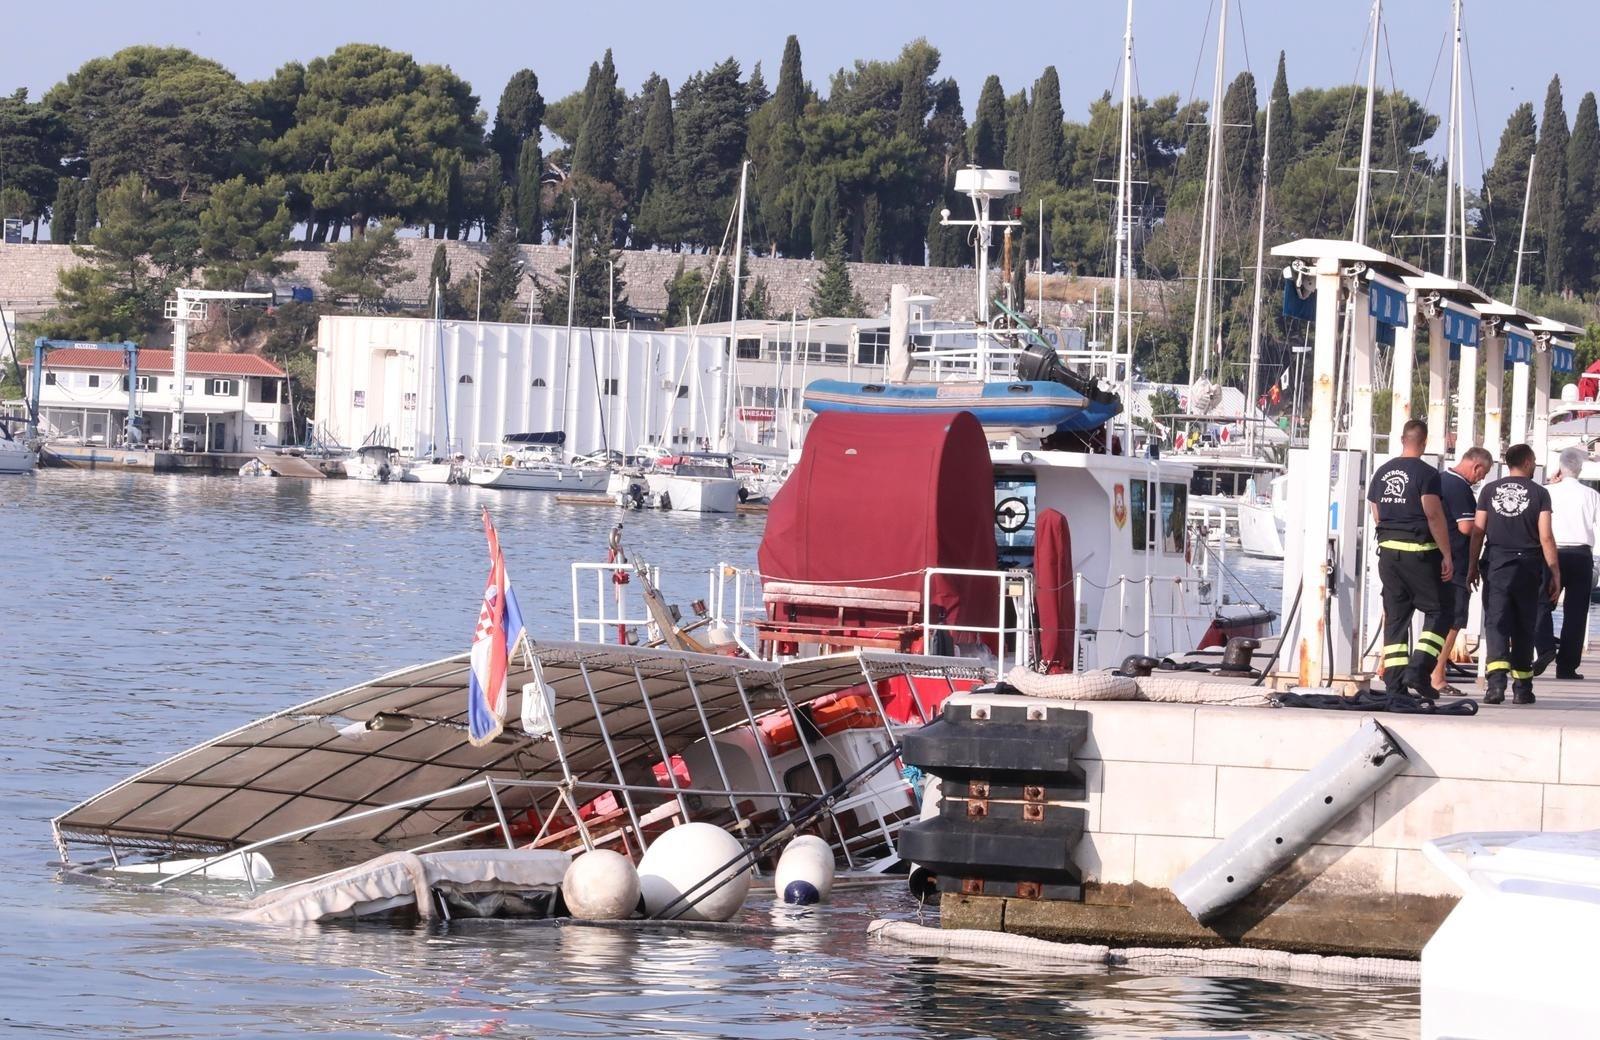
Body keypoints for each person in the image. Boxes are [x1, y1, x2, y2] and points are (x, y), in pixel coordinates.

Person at [1367, 418, 1454, 698]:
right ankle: (1419, 670)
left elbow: (1377, 513)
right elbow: (1432, 514)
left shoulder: (1381, 473)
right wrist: (1446, 554)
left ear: (1402, 439)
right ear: (1424, 442)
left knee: (1396, 617)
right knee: (1441, 611)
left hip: (1388, 554)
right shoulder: (1427, 474)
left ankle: (1394, 685)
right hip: (1418, 552)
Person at [1469, 443, 1560, 705]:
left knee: (1496, 623)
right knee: (1523, 626)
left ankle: (1495, 687)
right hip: (1529, 566)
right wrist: (1555, 572)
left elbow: (1478, 531)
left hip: (1497, 564)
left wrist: (1472, 565)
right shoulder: (1540, 493)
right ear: (1529, 462)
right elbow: (1546, 536)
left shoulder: (1488, 490)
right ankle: (1522, 689)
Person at [1429, 447, 1494, 696]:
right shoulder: (1460, 487)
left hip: (1437, 559)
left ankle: (1429, 670)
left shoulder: (1440, 480)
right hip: (1455, 561)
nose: (1482, 478)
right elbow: (1467, 527)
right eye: (1483, 473)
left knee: (1437, 618)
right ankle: (1437, 674)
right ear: (1476, 467)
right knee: (1454, 619)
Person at [1534, 445, 1600, 679]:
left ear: (1560, 469)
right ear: (1580, 469)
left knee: (1542, 603)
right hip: (1581, 555)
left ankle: (1545, 647)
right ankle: (1567, 666)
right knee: (1576, 612)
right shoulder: (1592, 495)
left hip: (1550, 552)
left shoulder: (1546, 492)